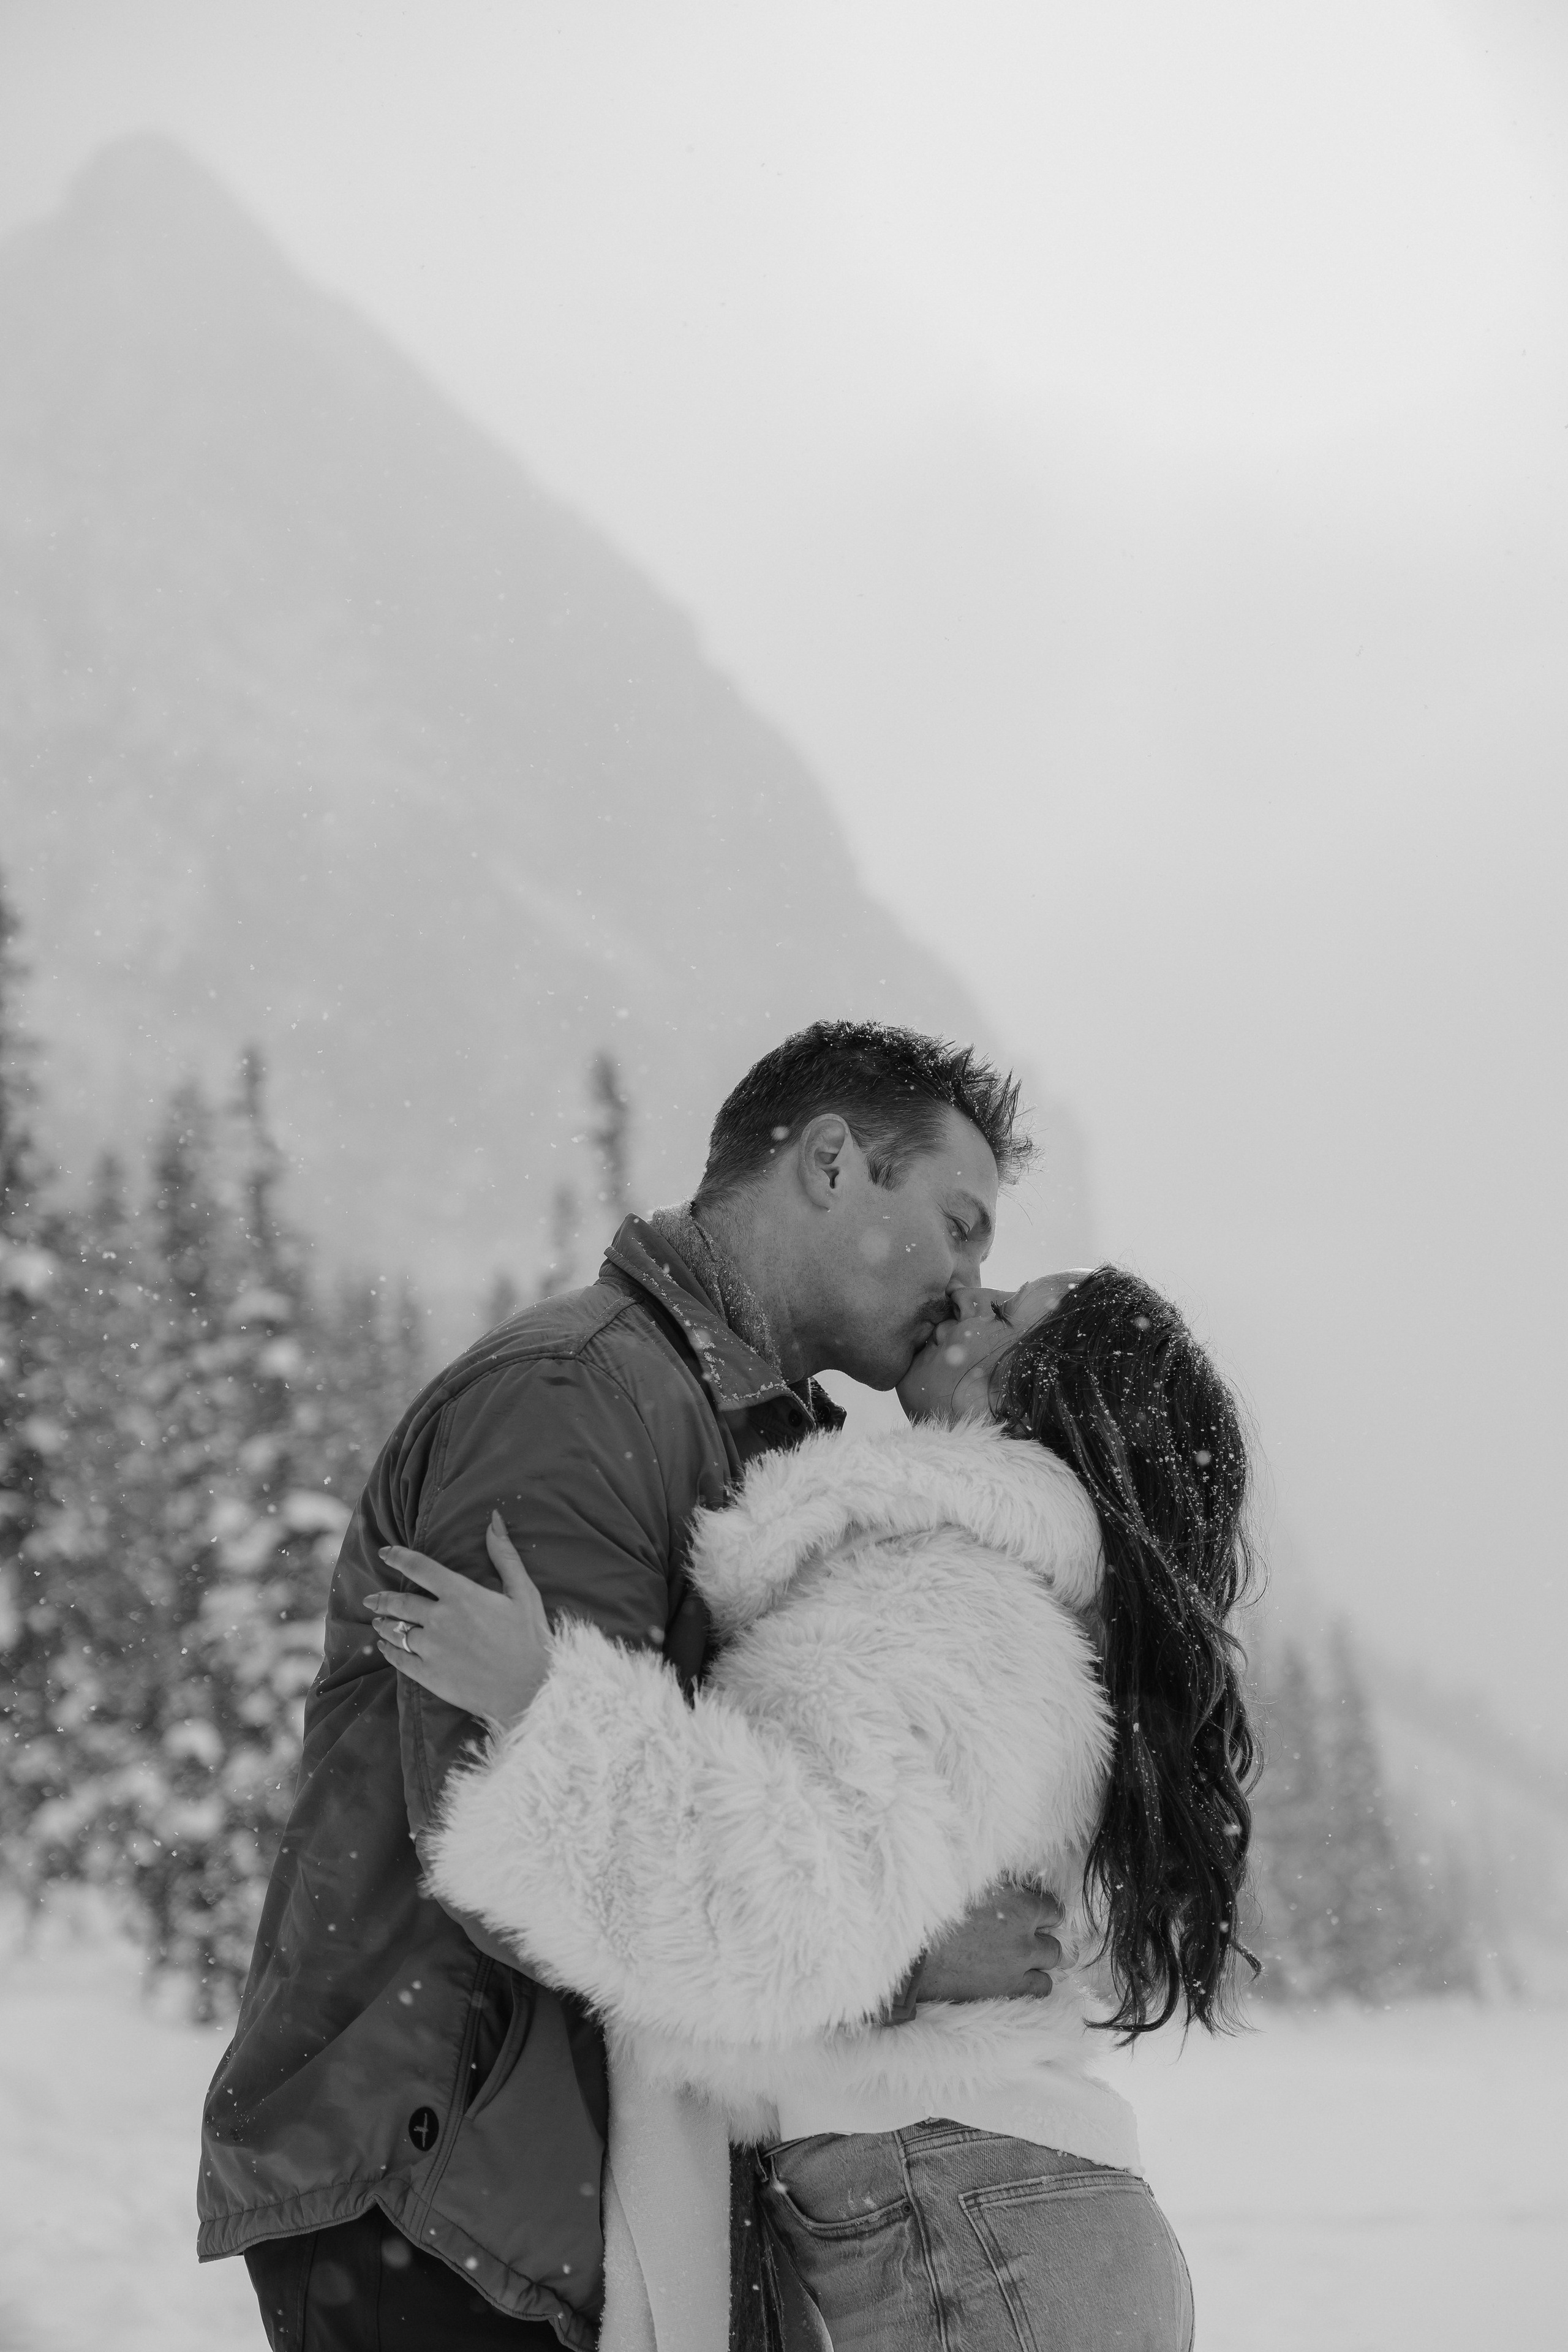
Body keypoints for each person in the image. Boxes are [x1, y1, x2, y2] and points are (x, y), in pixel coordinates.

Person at [199, 1020, 1063, 2352]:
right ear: (830, 1162)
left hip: (544, 2204)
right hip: (447, 2200)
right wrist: (902, 1957)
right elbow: (511, 1828)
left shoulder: (728, 1431)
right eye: (957, 1226)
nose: (963, 1285)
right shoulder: (577, 1401)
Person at [371, 1265, 1257, 2351]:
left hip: (967, 2220)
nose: (970, 1297)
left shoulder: (948, 1587)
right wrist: (912, 1952)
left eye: (1011, 1313)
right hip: (1001, 2218)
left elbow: (780, 1917)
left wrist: (543, 1704)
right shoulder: (1029, 1596)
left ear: (1052, 1397)